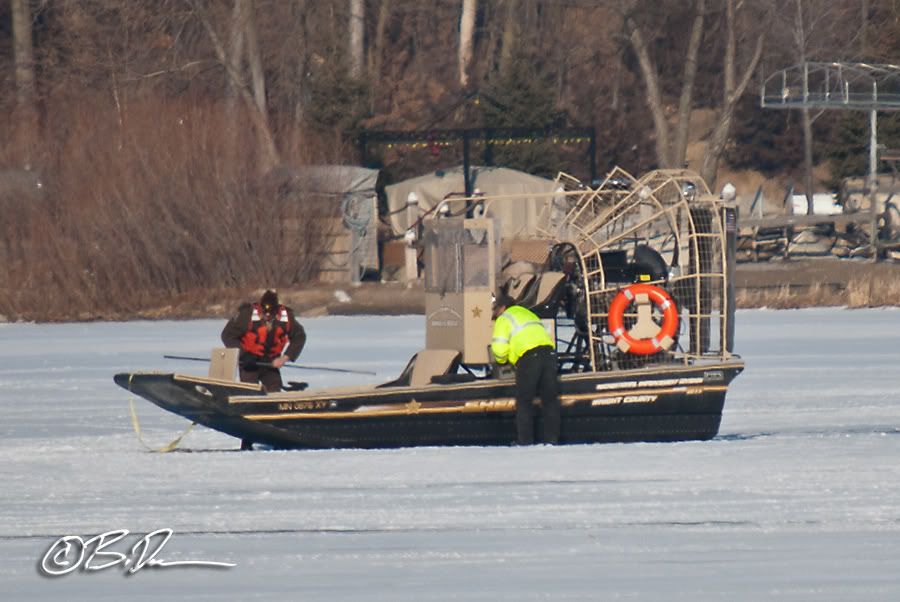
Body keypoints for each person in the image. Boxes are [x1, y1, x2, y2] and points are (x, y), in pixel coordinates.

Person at [491, 294, 560, 445]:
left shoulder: (504, 318)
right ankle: (552, 440)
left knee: (524, 401)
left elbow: (499, 349)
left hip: (529, 358)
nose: (495, 315)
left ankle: (525, 441)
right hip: (549, 354)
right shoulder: (529, 313)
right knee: (550, 400)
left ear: (503, 308)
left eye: (495, 311)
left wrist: (502, 361)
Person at [221, 290, 306, 393]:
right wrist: (243, 354)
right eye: (265, 313)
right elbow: (227, 335)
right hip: (249, 363)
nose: (267, 316)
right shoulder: (247, 315)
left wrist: (284, 358)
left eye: (271, 313)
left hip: (270, 364)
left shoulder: (286, 318)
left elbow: (299, 337)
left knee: (275, 390)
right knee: (250, 392)